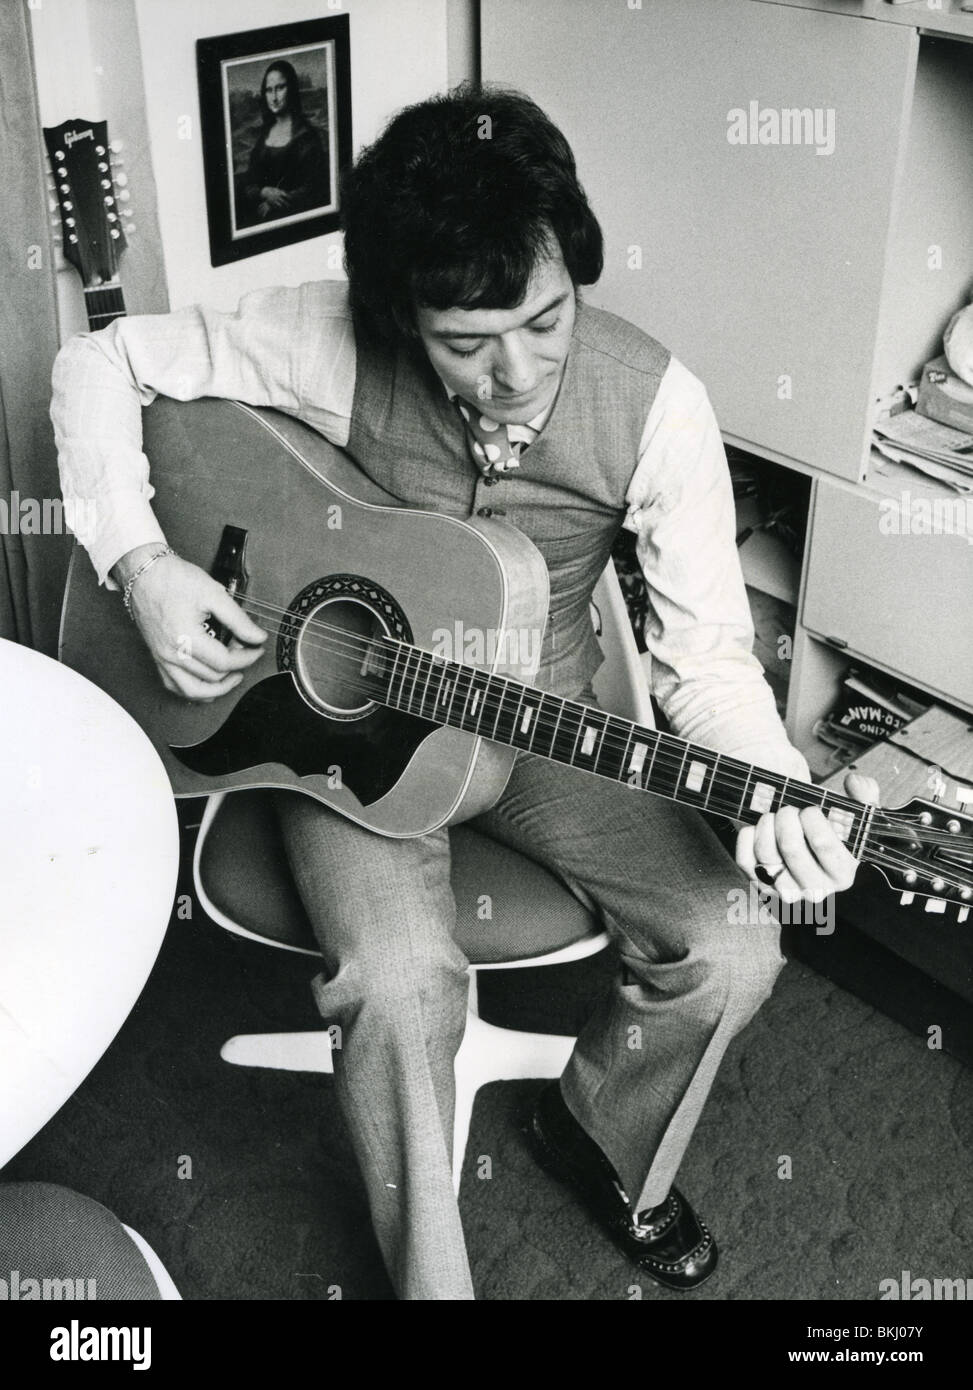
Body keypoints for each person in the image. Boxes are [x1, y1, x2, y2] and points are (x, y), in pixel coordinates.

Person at [51, 85, 877, 1301]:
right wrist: (144, 566)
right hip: (344, 727)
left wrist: (779, 799)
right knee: (395, 985)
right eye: (465, 342)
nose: (518, 373)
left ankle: (596, 1135)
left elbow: (706, 664)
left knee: (734, 941)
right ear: (402, 316)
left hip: (540, 724)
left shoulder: (658, 407)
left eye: (546, 321)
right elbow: (99, 357)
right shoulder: (330, 337)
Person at [235, 60, 330, 229]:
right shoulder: (264, 135)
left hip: (293, 220)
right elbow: (250, 180)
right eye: (269, 90)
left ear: (291, 89)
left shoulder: (307, 135)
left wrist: (274, 202)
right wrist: (263, 192)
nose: (274, 97)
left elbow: (314, 187)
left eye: (280, 88)